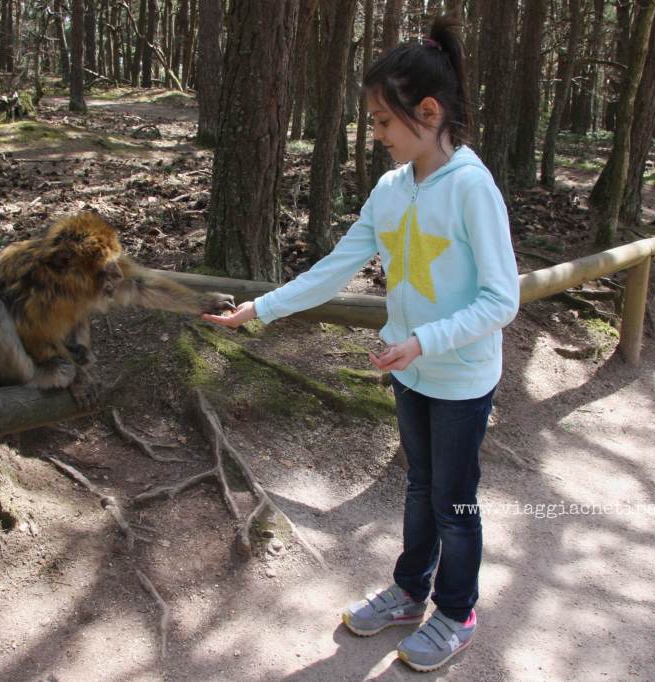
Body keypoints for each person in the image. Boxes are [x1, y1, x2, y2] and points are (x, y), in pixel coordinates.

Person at [203, 15, 519, 674]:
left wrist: (424, 340)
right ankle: (410, 591)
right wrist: (258, 310)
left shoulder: (471, 187)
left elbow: (501, 300)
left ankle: (457, 613)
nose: (374, 136)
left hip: (461, 380)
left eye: (382, 121)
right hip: (413, 373)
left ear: (427, 112)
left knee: (455, 505)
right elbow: (333, 268)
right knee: (418, 489)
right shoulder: (389, 190)